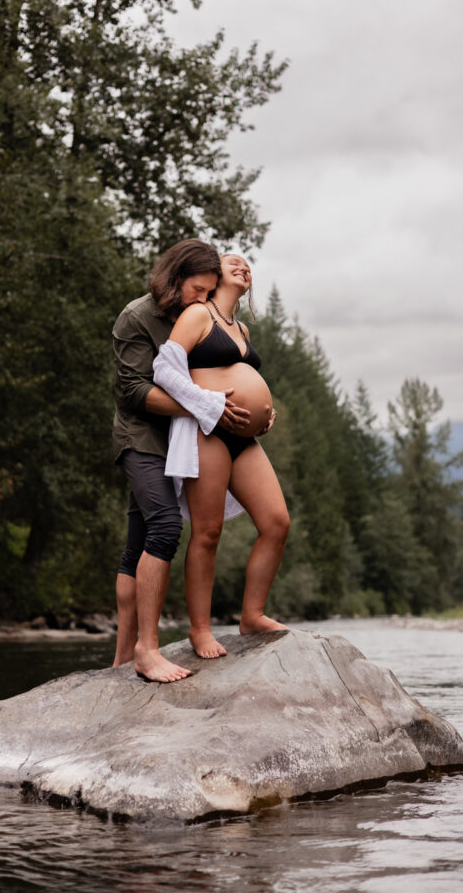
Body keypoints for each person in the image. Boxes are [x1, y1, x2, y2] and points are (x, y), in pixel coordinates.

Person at [111, 239, 251, 682]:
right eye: (196, 289)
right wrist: (203, 406)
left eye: (208, 291)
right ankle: (146, 651)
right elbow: (132, 391)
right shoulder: (136, 317)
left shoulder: (199, 313)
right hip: (142, 436)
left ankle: (119, 661)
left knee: (137, 544)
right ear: (174, 279)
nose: (202, 299)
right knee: (167, 527)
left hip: (182, 437)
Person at [155, 253, 289, 660]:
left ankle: (252, 615)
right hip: (207, 430)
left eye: (249, 265)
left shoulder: (242, 328)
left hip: (243, 438)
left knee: (276, 522)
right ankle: (200, 630)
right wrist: (207, 403)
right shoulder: (198, 314)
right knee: (208, 532)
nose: (244, 266)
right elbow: (164, 369)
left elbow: (245, 379)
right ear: (214, 276)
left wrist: (264, 415)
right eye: (233, 261)